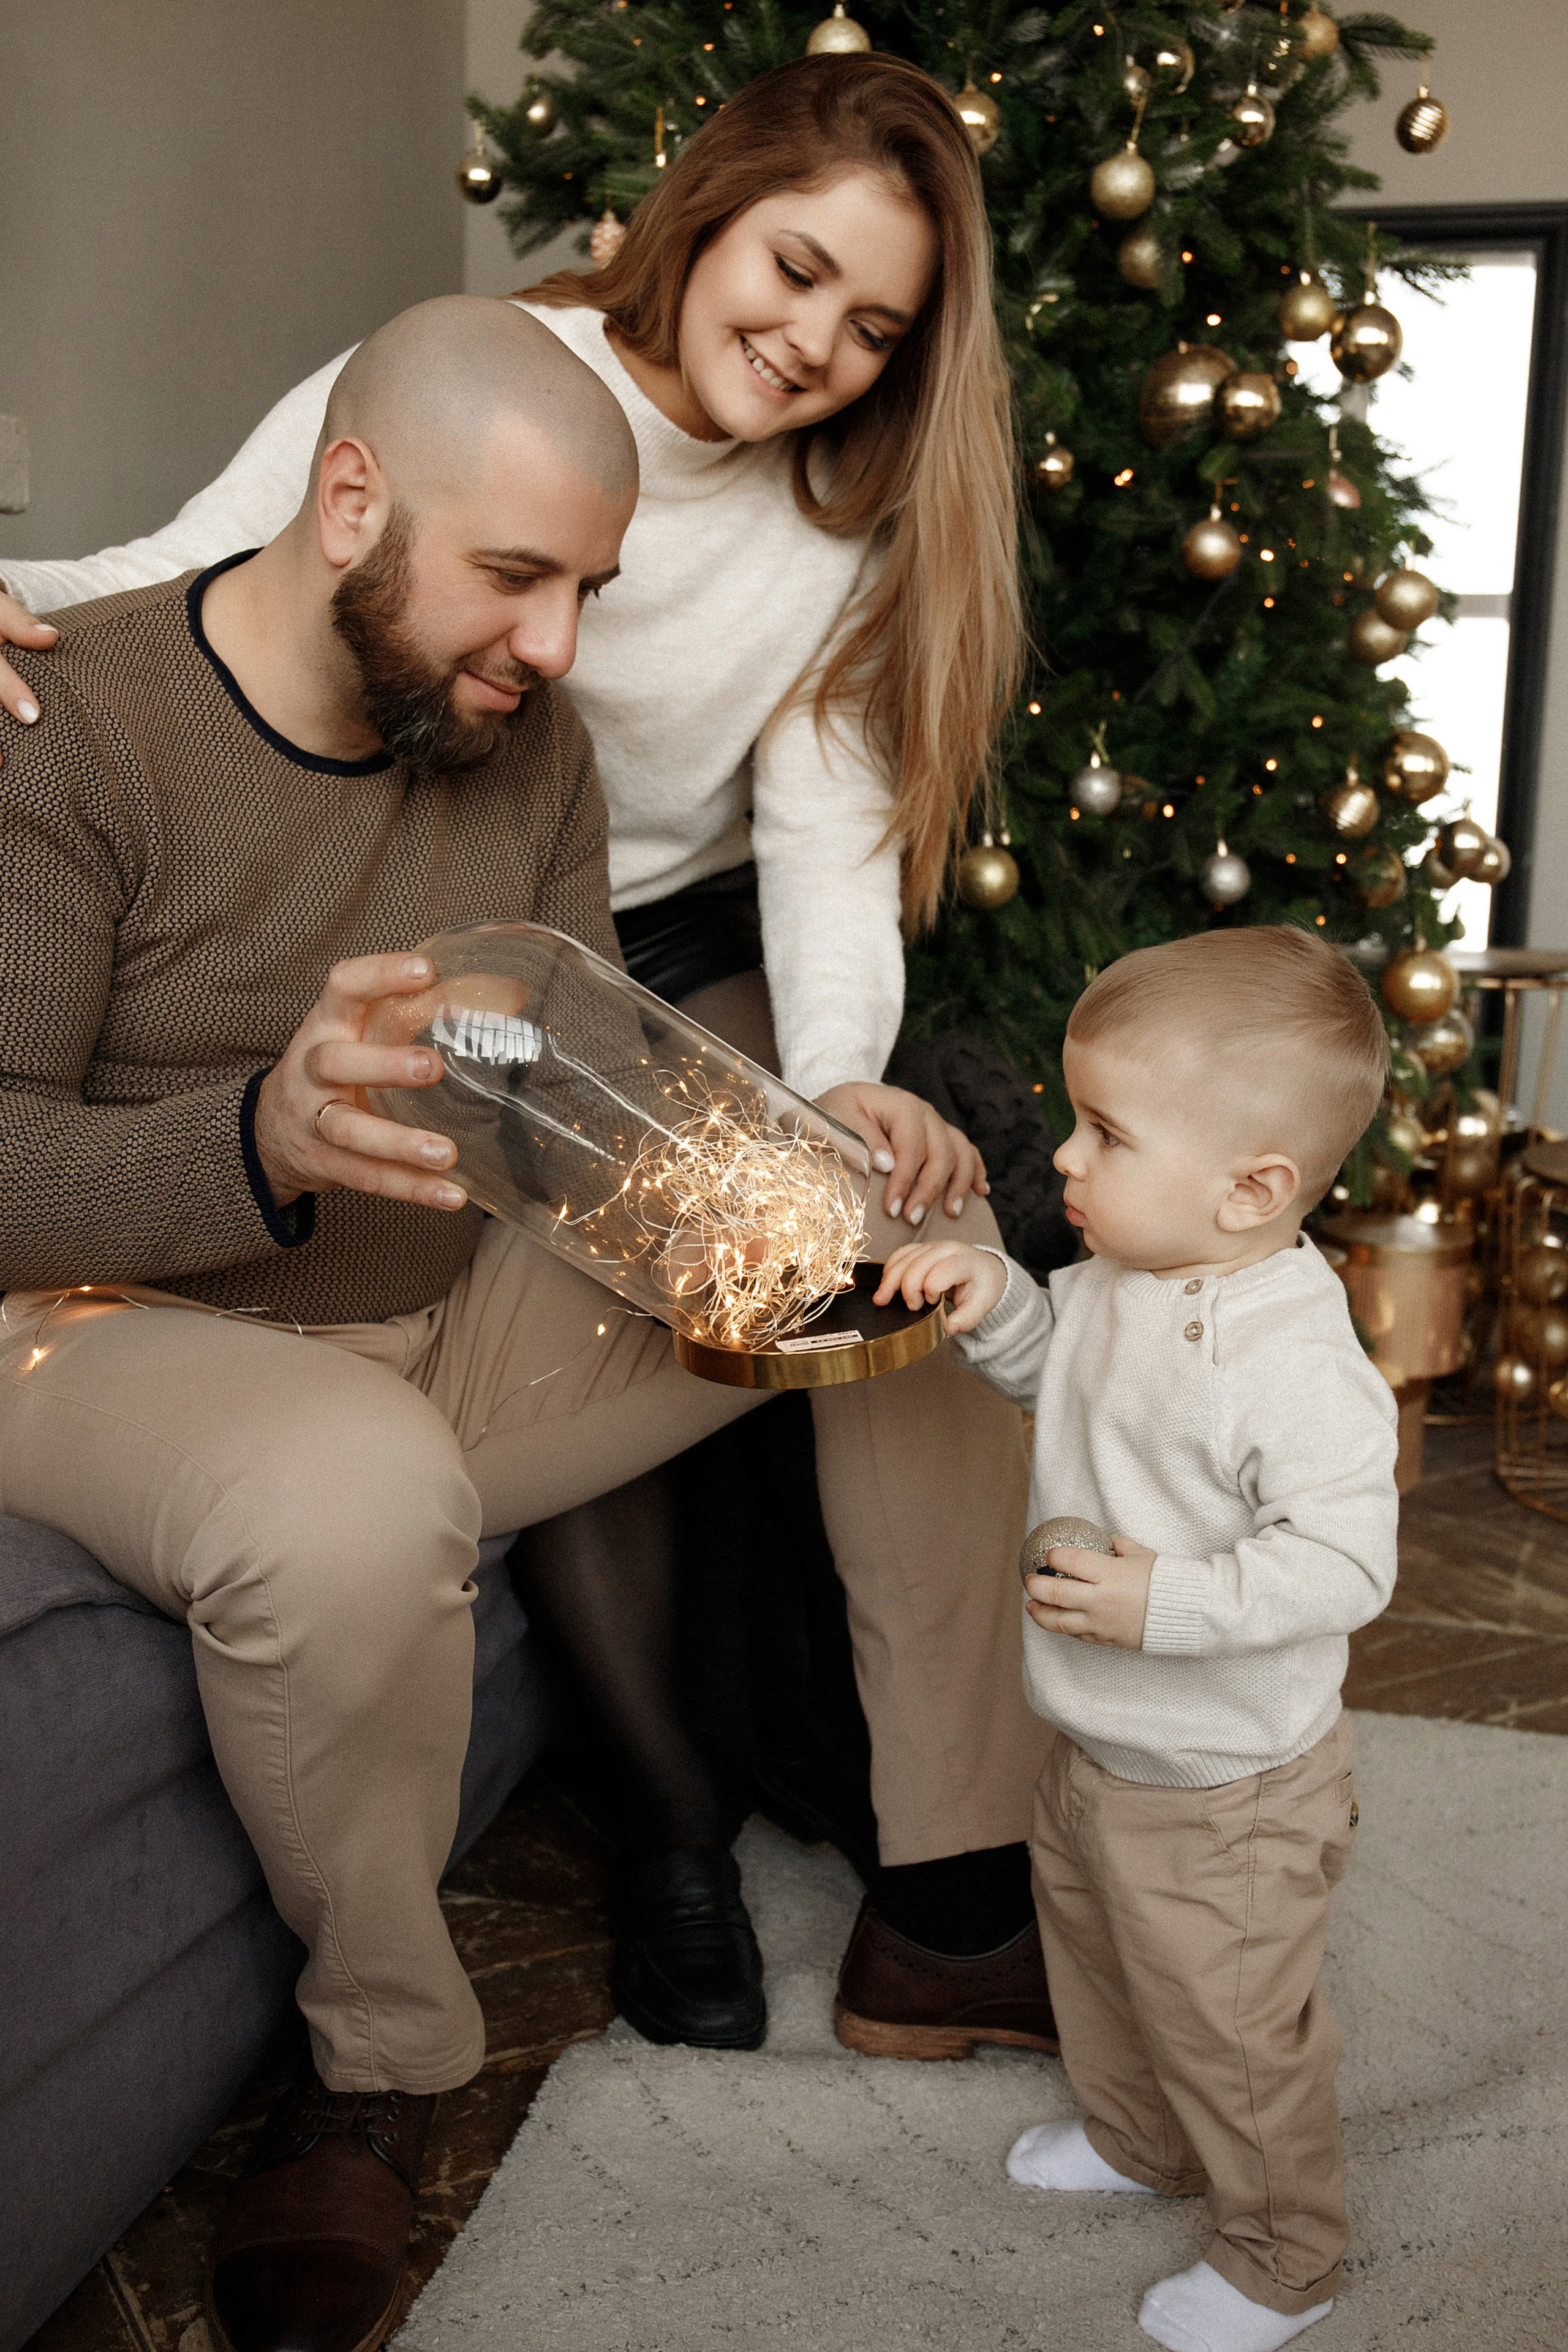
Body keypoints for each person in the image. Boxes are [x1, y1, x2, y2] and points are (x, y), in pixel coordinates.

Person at [0, 291, 1052, 2352]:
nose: (560, 648)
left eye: (588, 588)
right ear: (349, 497)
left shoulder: (521, 737)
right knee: (357, 1485)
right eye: (516, 578)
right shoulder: (81, 730)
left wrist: (810, 1168)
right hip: (109, 1330)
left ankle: (950, 1905)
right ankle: (383, 2066)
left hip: (444, 1316)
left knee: (914, 1256)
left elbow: (568, 1102)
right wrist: (257, 1132)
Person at [876, 927, 1400, 2352]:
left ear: (1252, 1189)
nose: (1064, 1159)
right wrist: (999, 1313)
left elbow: (1344, 1562)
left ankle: (1285, 2255)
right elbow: (1074, 1389)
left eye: (1106, 1133)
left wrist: (1165, 1602)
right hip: (1098, 1733)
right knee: (1098, 1960)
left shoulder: (1294, 1364)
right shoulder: (1114, 1282)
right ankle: (1132, 2138)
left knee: (1228, 2025)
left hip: (1225, 1782)